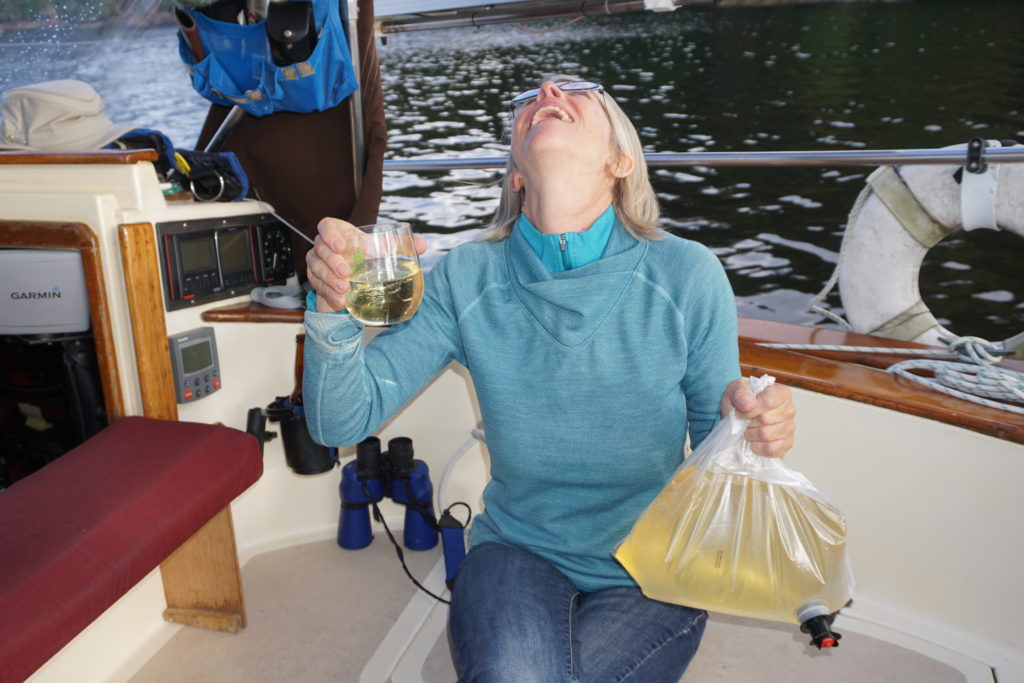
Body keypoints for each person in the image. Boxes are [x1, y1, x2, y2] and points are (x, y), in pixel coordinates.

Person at [303, 77, 797, 682]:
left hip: (656, 565)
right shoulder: (465, 277)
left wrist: (751, 429)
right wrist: (332, 310)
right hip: (517, 551)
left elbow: (718, 447)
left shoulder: (688, 275)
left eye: (581, 92)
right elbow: (341, 422)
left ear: (620, 161)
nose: (547, 89)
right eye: (527, 104)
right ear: (515, 174)